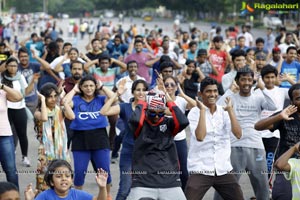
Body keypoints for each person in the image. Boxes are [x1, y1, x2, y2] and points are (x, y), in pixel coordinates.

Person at [216, 67, 277, 200]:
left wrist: (262, 87)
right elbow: (217, 107)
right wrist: (229, 90)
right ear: (237, 81)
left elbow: (273, 106)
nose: (247, 82)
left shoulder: (258, 98)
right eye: (243, 79)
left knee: (262, 187)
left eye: (250, 79)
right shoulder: (230, 97)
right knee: (226, 184)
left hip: (256, 146)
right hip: (234, 146)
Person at [185, 77, 243, 200]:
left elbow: (238, 134)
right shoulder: (194, 112)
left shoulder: (224, 111)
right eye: (208, 91)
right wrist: (202, 111)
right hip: (201, 169)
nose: (213, 94)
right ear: (200, 94)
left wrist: (231, 111)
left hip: (223, 169)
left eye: (215, 91)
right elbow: (200, 137)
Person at [127, 90, 189, 200]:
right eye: (152, 113)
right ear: (146, 110)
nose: (156, 116)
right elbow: (136, 120)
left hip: (170, 181)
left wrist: (170, 102)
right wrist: (142, 102)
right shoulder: (140, 126)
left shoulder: (169, 124)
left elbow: (183, 121)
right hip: (143, 182)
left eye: (160, 113)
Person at [63, 75, 113, 199]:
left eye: (91, 85)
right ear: (81, 87)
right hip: (80, 139)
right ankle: (77, 196)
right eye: (85, 86)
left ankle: (106, 196)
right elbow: (64, 102)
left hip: (100, 138)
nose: (89, 88)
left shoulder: (101, 99)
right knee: (79, 172)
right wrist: (74, 90)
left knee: (104, 171)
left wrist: (102, 87)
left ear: (95, 86)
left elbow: (113, 97)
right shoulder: (76, 99)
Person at [100, 79, 148, 200]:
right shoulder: (125, 107)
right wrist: (117, 94)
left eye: (144, 90)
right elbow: (103, 111)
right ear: (132, 92)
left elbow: (174, 113)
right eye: (138, 90)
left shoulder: (152, 108)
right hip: (128, 153)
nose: (141, 92)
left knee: (146, 190)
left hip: (147, 154)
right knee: (125, 189)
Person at [254, 83, 300, 200]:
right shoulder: (286, 115)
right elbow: (258, 126)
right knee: (282, 196)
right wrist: (279, 116)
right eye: (298, 98)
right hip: (284, 166)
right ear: (292, 102)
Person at [34, 83, 71, 193]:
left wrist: (64, 101)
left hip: (61, 150)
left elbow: (72, 116)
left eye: (55, 96)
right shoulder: (38, 112)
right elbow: (44, 118)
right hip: (45, 150)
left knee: (63, 179)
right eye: (50, 96)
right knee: (44, 179)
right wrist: (42, 100)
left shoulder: (59, 109)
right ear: (44, 97)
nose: (53, 99)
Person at [1, 57, 38, 167]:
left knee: (22, 133)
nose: (13, 68)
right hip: (5, 110)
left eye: (15, 66)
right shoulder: (2, 78)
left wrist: (32, 82)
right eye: (11, 66)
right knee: (6, 134)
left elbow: (25, 92)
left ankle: (25, 156)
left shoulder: (20, 77)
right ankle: (6, 155)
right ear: (6, 66)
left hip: (19, 108)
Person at [161, 75, 196, 190]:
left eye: (172, 84)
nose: (169, 87)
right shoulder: (159, 100)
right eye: (166, 85)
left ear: (176, 86)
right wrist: (163, 92)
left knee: (184, 172)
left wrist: (183, 93)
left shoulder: (181, 100)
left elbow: (196, 106)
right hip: (163, 140)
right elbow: (172, 111)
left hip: (179, 139)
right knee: (165, 171)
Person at [24, 159, 108, 200]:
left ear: (72, 180)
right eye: (59, 176)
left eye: (67, 176)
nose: (64, 179)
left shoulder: (78, 195)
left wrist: (102, 187)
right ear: (51, 182)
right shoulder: (45, 196)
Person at [0, 81, 22, 189]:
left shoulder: (2, 92)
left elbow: (19, 97)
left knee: (10, 169)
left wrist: (2, 86)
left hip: (4, 135)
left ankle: (14, 195)